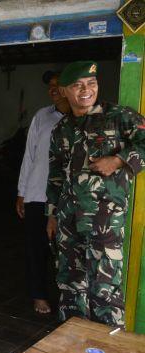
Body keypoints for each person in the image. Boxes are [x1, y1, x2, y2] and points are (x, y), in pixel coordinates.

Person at [46, 61, 145, 328]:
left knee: (104, 288)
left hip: (105, 220)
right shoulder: (61, 128)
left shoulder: (118, 116)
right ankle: (71, 341)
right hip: (68, 220)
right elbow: (55, 175)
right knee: (70, 284)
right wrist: (52, 215)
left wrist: (119, 160)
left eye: (91, 84)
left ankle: (107, 348)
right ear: (64, 91)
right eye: (77, 85)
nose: (86, 90)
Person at [16, 71, 70, 314]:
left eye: (59, 85)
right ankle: (38, 295)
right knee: (36, 249)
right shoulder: (42, 116)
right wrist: (22, 192)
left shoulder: (83, 117)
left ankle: (69, 298)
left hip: (68, 198)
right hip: (37, 194)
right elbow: (29, 155)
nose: (53, 89)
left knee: (66, 251)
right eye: (50, 85)